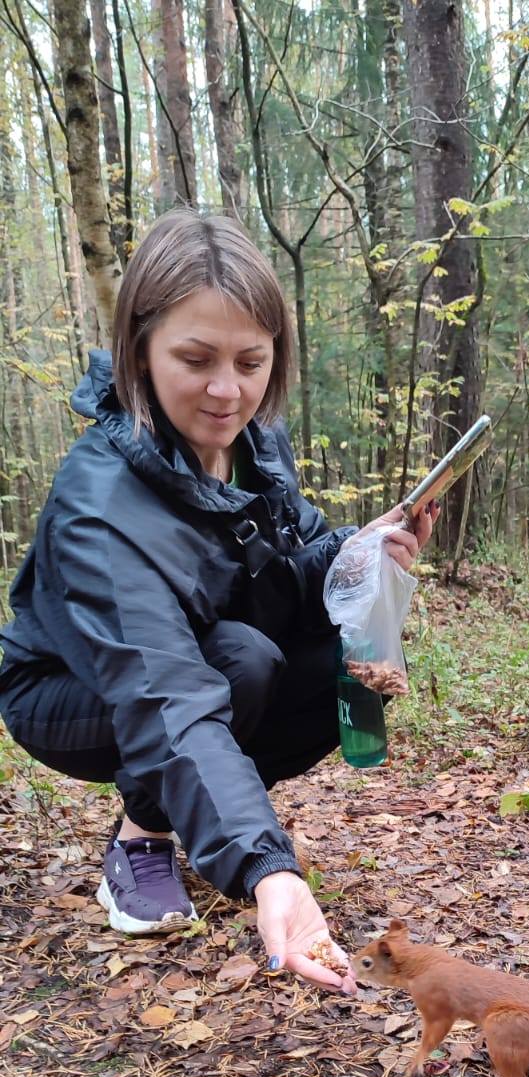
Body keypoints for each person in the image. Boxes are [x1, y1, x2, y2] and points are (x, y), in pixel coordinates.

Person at [0, 208, 437, 996]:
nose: (227, 390)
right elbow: (166, 691)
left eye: (252, 360)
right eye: (195, 358)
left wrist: (354, 552)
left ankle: (205, 818)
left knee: (336, 663)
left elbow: (283, 572)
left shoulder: (255, 444)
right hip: (65, 692)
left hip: (202, 660)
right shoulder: (100, 506)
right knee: (240, 660)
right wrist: (270, 870)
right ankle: (144, 839)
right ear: (140, 348)